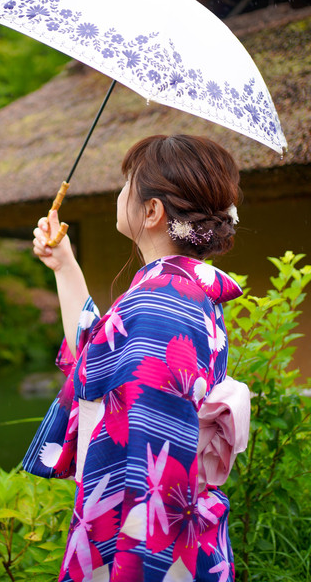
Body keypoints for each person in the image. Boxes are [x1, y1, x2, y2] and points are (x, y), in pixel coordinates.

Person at [23, 134, 250, 582]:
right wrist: (65, 266)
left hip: (150, 545)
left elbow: (154, 465)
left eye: (128, 184)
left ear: (152, 212)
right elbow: (97, 353)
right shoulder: (180, 290)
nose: (120, 193)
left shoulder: (160, 303)